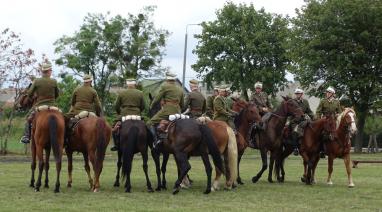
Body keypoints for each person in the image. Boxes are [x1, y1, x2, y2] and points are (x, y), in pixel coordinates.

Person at [20, 59, 59, 144]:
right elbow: (57, 95)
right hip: (53, 105)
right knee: (63, 118)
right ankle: (64, 138)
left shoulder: (37, 81)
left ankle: (26, 136)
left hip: (39, 105)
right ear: (49, 71)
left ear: (43, 71)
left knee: (28, 118)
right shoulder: (54, 81)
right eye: (51, 70)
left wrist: (34, 96)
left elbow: (30, 93)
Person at [148, 72, 184, 147]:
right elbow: (182, 104)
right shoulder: (180, 88)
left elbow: (157, 98)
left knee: (149, 123)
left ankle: (156, 140)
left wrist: (151, 106)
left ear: (167, 79)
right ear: (174, 79)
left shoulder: (165, 86)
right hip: (177, 111)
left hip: (167, 110)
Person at [65, 74, 102, 143]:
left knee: (65, 120)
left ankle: (65, 140)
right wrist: (98, 114)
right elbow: (98, 105)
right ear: (90, 81)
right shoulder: (93, 91)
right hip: (90, 112)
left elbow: (72, 102)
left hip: (77, 112)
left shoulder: (77, 89)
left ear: (84, 81)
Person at [111, 78, 145, 151]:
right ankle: (150, 142)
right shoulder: (140, 93)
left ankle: (116, 144)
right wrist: (138, 111)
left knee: (114, 126)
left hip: (124, 114)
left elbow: (116, 106)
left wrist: (119, 112)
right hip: (137, 114)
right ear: (134, 84)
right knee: (146, 127)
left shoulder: (122, 93)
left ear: (127, 84)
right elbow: (143, 106)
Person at [316, 86, 342, 158]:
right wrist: (319, 119)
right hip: (325, 120)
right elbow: (318, 111)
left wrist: (338, 115)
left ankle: (340, 148)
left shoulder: (337, 102)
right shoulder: (323, 101)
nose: (327, 93)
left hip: (334, 120)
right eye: (327, 92)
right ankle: (321, 150)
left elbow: (340, 112)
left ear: (333, 94)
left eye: (329, 92)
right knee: (321, 134)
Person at [290, 88, 315, 155]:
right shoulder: (292, 101)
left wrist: (314, 117)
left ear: (302, 94)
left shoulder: (305, 102)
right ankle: (295, 148)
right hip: (295, 121)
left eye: (299, 93)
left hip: (303, 121)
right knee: (295, 132)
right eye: (296, 94)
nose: (297, 95)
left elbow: (309, 111)